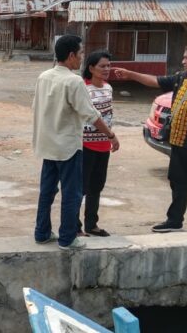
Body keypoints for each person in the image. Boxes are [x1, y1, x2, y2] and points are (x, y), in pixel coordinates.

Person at [114, 42, 187, 232]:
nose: (182, 61)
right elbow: (155, 81)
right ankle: (174, 221)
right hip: (179, 144)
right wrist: (131, 75)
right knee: (178, 183)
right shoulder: (181, 78)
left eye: (186, 57)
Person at [33, 35, 119, 250]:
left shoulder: (44, 76)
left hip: (47, 143)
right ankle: (67, 237)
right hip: (68, 146)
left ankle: (42, 232)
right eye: (80, 54)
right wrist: (110, 134)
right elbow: (91, 114)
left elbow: (38, 107)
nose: (81, 58)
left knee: (47, 191)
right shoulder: (73, 81)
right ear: (71, 55)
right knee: (71, 193)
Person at [78, 51, 117, 237]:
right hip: (85, 145)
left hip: (103, 146)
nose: (106, 69)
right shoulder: (82, 89)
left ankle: (91, 224)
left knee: (97, 186)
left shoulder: (108, 88)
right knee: (81, 187)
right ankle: (75, 226)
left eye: (109, 65)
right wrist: (111, 135)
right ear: (91, 68)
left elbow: (108, 117)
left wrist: (110, 138)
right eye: (102, 66)